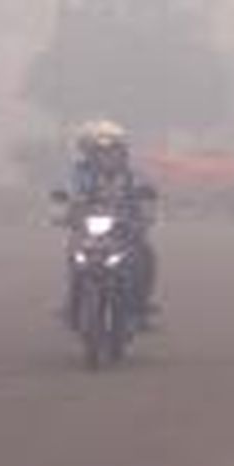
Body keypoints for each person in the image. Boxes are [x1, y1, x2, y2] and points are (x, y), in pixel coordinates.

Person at [63, 120, 158, 327]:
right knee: (75, 257)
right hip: (89, 230)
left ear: (122, 151)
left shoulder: (132, 174)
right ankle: (73, 304)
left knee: (145, 255)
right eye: (99, 151)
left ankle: (140, 306)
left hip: (125, 229)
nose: (106, 156)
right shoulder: (79, 173)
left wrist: (145, 213)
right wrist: (66, 213)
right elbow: (69, 196)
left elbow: (146, 195)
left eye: (112, 150)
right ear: (88, 152)